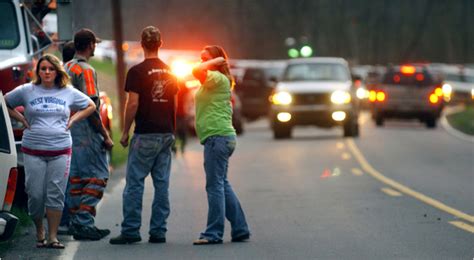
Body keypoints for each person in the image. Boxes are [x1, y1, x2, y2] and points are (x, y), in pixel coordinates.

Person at [5, 54, 96, 249]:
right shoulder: (27, 90)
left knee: (56, 193)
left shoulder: (68, 92)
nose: (47, 72)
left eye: (51, 69)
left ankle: (53, 236)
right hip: (33, 149)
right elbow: (4, 102)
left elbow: (91, 105)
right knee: (35, 194)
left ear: (57, 71)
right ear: (38, 71)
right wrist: (21, 119)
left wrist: (72, 120)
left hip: (60, 149)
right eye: (43, 68)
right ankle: (40, 230)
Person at [109, 26, 178, 245]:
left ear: (141, 44)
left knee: (135, 183)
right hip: (166, 132)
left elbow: (133, 104)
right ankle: (158, 231)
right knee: (162, 184)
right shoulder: (171, 72)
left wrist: (125, 131)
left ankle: (130, 230)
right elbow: (173, 103)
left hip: (145, 133)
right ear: (160, 43)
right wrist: (171, 128)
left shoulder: (136, 71)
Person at [191, 45, 250, 245]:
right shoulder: (215, 80)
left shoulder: (215, 77)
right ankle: (240, 229)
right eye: (201, 57)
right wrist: (213, 61)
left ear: (216, 60)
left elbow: (195, 70)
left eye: (205, 58)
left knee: (214, 186)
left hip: (217, 138)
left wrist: (214, 62)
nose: (202, 61)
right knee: (221, 184)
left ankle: (213, 233)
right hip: (221, 138)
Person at [65, 28, 114, 240]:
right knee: (99, 175)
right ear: (90, 45)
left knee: (77, 178)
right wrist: (105, 135)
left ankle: (76, 222)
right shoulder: (85, 70)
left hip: (68, 130)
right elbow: (91, 106)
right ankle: (84, 221)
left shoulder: (65, 67)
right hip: (85, 129)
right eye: (95, 44)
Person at [58, 40, 76, 235]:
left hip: (55, 133)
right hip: (71, 133)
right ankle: (66, 220)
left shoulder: (56, 75)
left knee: (59, 178)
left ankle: (61, 220)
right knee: (69, 178)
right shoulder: (73, 73)